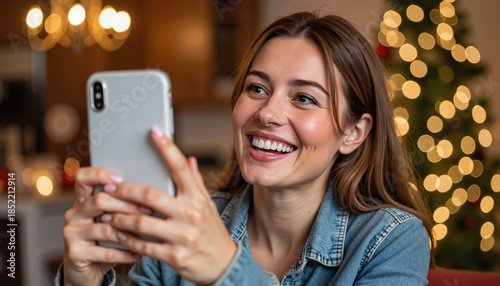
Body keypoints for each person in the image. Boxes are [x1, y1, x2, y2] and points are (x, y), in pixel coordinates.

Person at [57, 11, 434, 286]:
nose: (268, 112)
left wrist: (227, 270)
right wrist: (80, 282)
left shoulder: (391, 240)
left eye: (303, 97)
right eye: (257, 88)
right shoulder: (180, 223)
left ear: (353, 133)